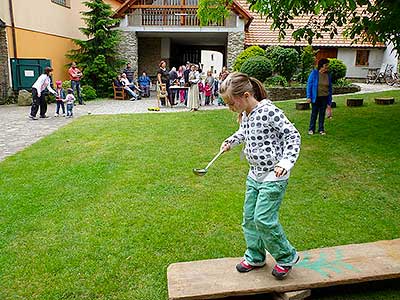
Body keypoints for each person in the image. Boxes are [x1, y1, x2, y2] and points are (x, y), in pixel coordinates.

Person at [219, 72, 301, 280]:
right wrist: (230, 141)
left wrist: (285, 162)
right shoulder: (246, 114)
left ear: (246, 95)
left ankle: (286, 256)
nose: (229, 107)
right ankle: (255, 256)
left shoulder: (269, 111)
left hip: (274, 175)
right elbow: (244, 133)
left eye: (231, 102)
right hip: (254, 174)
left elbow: (293, 135)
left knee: (263, 219)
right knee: (249, 219)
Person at [306, 58, 333, 135]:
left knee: (322, 113)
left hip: (324, 97)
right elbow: (309, 85)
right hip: (316, 97)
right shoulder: (314, 73)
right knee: (314, 113)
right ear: (321, 65)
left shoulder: (328, 75)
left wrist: (329, 100)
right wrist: (309, 96)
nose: (327, 67)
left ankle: (321, 129)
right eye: (326, 65)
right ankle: (311, 129)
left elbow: (330, 88)